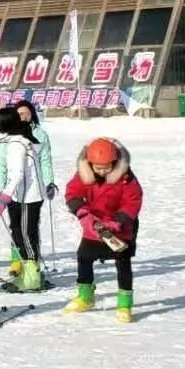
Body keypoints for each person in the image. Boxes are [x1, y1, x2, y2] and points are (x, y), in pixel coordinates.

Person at [63, 137, 143, 323]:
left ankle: (124, 304)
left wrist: (118, 221)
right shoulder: (83, 175)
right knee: (84, 257)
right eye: (97, 168)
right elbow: (72, 193)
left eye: (106, 167)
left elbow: (133, 201)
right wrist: (83, 214)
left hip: (121, 226)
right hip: (94, 225)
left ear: (114, 162)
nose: (101, 171)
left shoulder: (126, 178)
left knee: (123, 263)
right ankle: (85, 296)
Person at [0, 100, 58, 277]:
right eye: (19, 114)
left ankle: (32, 274)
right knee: (18, 228)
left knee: (28, 231)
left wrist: (49, 182)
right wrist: (0, 189)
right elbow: (2, 165)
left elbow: (25, 170)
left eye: (26, 113)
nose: (22, 117)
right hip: (16, 192)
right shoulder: (14, 139)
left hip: (28, 193)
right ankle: (20, 263)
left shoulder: (24, 139)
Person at [0, 106, 45, 292]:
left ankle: (32, 279)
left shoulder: (16, 144)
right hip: (24, 195)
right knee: (23, 234)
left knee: (26, 236)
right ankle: (29, 272)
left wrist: (3, 197)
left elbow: (16, 175)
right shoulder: (21, 138)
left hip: (27, 197)